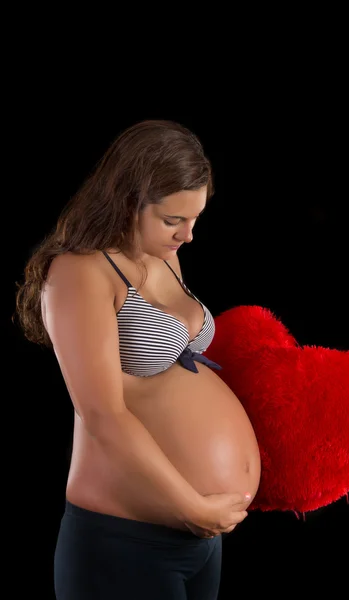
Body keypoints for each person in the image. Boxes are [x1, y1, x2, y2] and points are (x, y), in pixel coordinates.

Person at [14, 119, 261, 599]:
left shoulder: (163, 254)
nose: (188, 235)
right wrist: (192, 505)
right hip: (125, 540)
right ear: (129, 201)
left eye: (195, 219)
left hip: (198, 539)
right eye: (173, 220)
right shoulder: (80, 273)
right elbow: (102, 414)